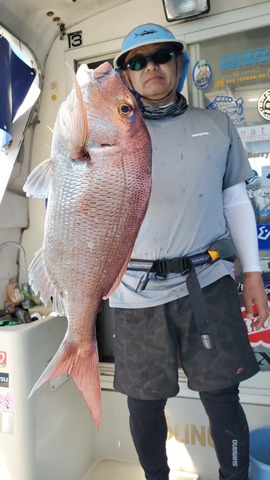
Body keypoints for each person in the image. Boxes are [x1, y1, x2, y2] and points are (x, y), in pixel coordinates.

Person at [109, 23, 269, 480]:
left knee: (222, 395)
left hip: (209, 282)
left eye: (161, 56)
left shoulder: (216, 124)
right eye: (136, 62)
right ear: (125, 76)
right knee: (144, 402)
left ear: (178, 65)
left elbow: (235, 199)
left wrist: (253, 275)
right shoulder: (110, 136)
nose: (150, 67)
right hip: (135, 290)